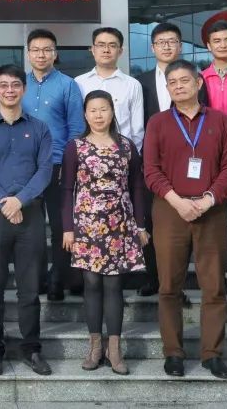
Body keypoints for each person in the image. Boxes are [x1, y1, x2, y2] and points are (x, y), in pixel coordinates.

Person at [143, 60, 227, 381]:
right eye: (172, 82)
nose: (179, 86)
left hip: (211, 211)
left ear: (198, 83)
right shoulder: (158, 122)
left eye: (185, 80)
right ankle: (173, 353)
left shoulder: (220, 121)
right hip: (170, 210)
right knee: (169, 286)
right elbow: (150, 170)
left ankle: (212, 354)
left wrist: (208, 199)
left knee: (214, 286)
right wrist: (178, 201)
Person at [0, 64, 54, 377]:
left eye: (15, 85)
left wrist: (20, 200)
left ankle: (31, 348)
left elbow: (44, 170)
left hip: (30, 214)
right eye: (3, 85)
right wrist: (5, 202)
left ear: (24, 89)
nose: (9, 90)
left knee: (29, 289)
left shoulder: (40, 128)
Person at [61, 90, 148, 375]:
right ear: (85, 115)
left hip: (119, 224)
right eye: (93, 110)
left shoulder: (126, 146)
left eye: (104, 109)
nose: (98, 115)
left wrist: (140, 224)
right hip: (86, 224)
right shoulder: (75, 147)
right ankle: (95, 347)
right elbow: (67, 189)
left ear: (112, 112)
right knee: (91, 284)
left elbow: (137, 186)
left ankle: (115, 349)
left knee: (113, 285)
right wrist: (67, 228)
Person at [136, 22, 208, 298]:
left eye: (172, 41)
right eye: (161, 42)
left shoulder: (195, 79)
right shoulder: (140, 81)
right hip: (151, 163)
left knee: (188, 222)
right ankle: (154, 277)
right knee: (151, 219)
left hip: (188, 161)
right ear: (153, 47)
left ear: (180, 46)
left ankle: (184, 280)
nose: (167, 46)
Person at [21, 28, 85, 301]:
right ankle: (37, 279)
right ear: (28, 53)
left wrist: (71, 165)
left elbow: (76, 128)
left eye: (47, 50)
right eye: (36, 50)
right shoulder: (18, 84)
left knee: (61, 226)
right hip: (26, 167)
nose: (41, 55)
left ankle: (59, 278)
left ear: (55, 53)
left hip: (58, 164)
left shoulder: (68, 85)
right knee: (31, 229)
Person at [74, 27, 144, 151]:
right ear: (93, 49)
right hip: (86, 154)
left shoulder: (133, 85)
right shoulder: (78, 82)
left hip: (122, 152)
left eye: (112, 45)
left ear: (120, 51)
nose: (106, 50)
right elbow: (75, 122)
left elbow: (137, 128)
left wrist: (131, 154)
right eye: (101, 45)